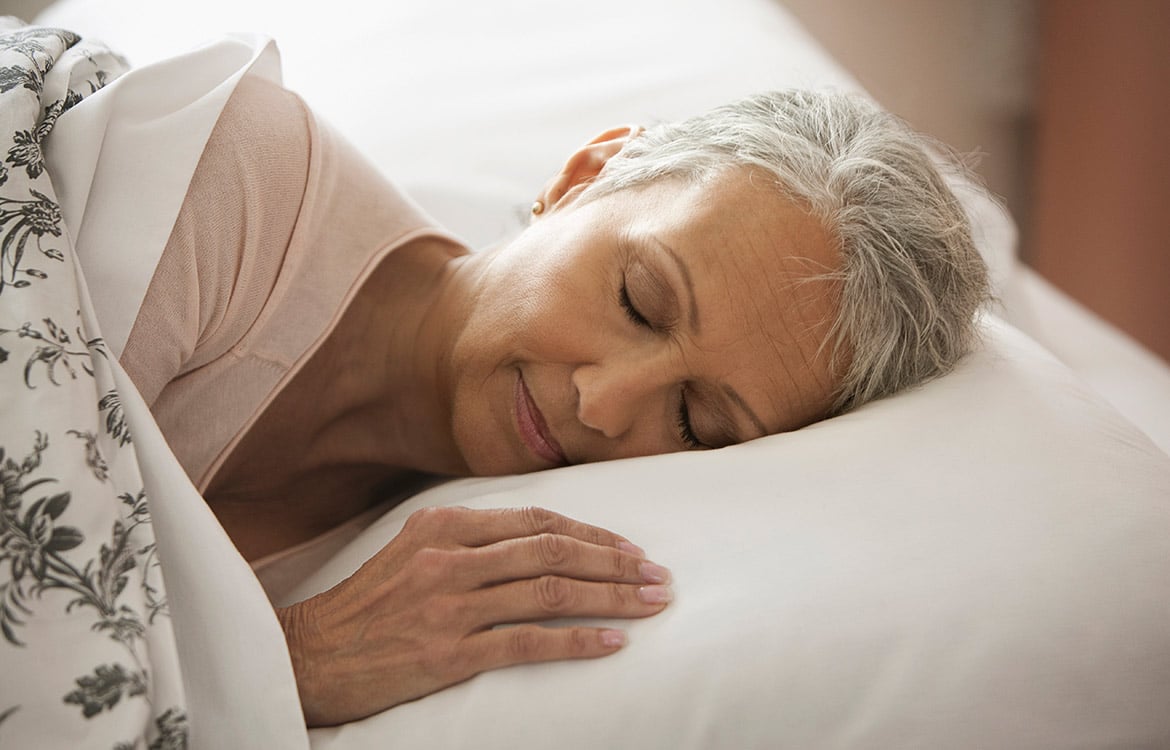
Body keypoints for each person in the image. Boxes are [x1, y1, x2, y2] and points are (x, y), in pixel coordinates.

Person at [119, 75, 989, 725]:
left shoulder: (442, 550)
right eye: (639, 301)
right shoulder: (225, 176)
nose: (605, 405)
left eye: (698, 423)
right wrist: (289, 663)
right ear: (586, 175)